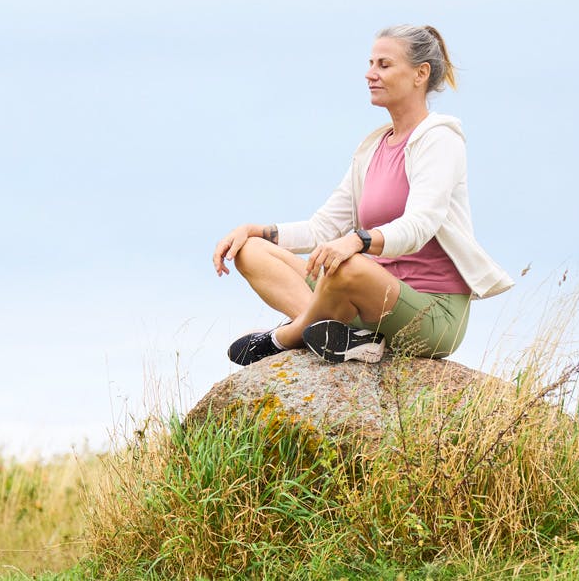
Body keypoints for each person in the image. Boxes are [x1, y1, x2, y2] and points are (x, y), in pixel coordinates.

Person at [212, 24, 513, 366]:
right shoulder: (372, 149)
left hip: (431, 314)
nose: (370, 74)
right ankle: (344, 336)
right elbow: (322, 229)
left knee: (347, 267)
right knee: (251, 252)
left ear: (420, 74)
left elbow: (420, 224)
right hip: (366, 304)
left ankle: (285, 338)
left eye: (384, 65)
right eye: (371, 64)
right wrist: (254, 230)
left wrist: (358, 241)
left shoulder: (440, 139)